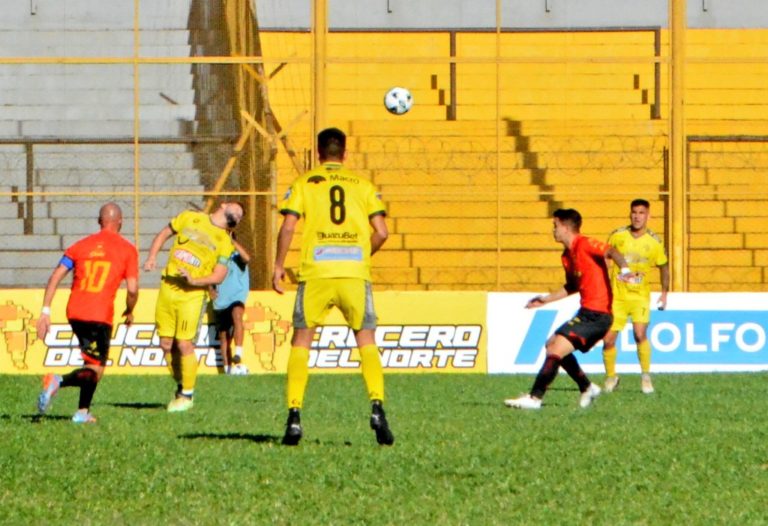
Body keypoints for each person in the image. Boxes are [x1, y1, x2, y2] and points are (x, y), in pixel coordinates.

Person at [272, 127, 393, 446]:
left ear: (317, 152)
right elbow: (381, 232)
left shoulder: (304, 183)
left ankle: (294, 416)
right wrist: (361, 256)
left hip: (316, 272)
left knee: (301, 341)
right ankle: (377, 406)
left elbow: (287, 226)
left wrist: (277, 266)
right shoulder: (363, 186)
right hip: (354, 273)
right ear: (345, 153)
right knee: (366, 339)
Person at [504, 208, 635, 410]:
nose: (553, 230)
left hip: (598, 315)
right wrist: (546, 300)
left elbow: (611, 251)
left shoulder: (584, 244)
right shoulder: (567, 256)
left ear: (565, 227)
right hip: (587, 313)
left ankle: (535, 398)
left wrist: (625, 270)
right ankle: (587, 387)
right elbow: (573, 286)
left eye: (555, 226)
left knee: (556, 347)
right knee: (552, 345)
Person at [36, 202, 139, 423]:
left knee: (93, 365)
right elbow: (132, 289)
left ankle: (82, 412)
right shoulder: (128, 249)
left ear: (99, 221)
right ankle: (58, 381)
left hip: (74, 312)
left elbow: (56, 276)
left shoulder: (79, 246)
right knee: (95, 370)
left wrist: (45, 310)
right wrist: (130, 310)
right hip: (98, 315)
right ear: (120, 222)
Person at [143, 201, 243, 412]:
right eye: (238, 209)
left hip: (193, 295)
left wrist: (195, 281)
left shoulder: (225, 241)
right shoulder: (190, 217)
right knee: (166, 344)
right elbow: (164, 233)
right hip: (168, 286)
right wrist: (152, 257)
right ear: (223, 205)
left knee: (184, 343)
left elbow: (220, 274)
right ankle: (181, 386)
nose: (240, 215)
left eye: (241, 216)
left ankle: (187, 395)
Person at [602, 199, 669, 394]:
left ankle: (646, 377)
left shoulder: (654, 242)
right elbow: (605, 256)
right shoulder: (618, 236)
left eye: (641, 213)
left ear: (648, 216)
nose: (637, 216)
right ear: (630, 214)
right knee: (608, 340)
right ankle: (611, 377)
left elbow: (664, 267)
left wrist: (664, 293)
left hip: (640, 297)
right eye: (634, 212)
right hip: (617, 297)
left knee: (640, 334)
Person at [211, 234, 250, 374]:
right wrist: (210, 289)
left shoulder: (236, 256)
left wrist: (233, 242)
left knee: (237, 316)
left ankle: (238, 352)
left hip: (236, 296)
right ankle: (227, 370)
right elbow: (208, 274)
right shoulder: (216, 258)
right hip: (221, 299)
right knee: (223, 334)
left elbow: (247, 258)